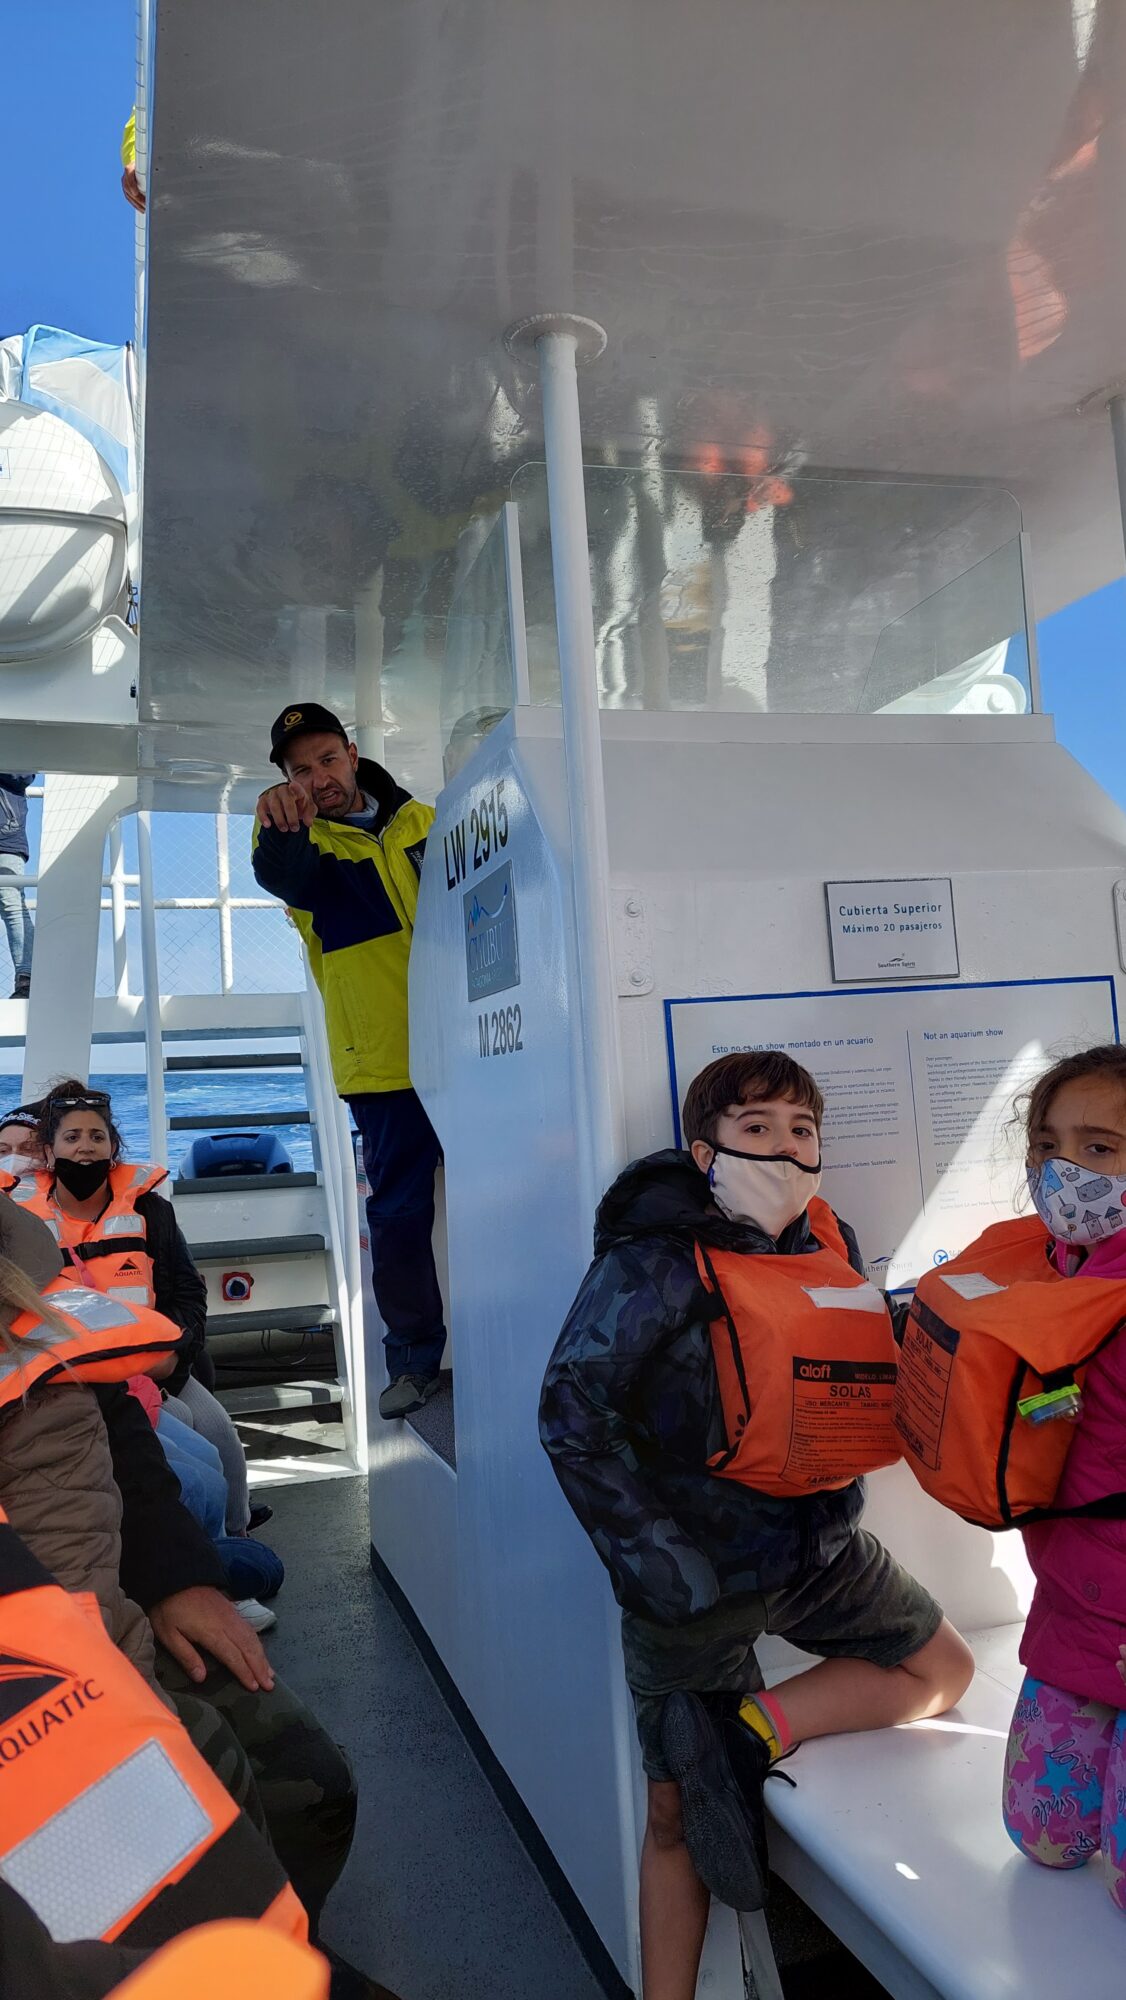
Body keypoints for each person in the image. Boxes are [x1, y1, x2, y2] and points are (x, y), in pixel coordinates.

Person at [540, 1051, 973, 2000]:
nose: (785, 1148)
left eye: (801, 1130)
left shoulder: (831, 1241)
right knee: (672, 1816)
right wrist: (658, 1566)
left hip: (818, 1547)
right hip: (687, 1574)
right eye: (758, 1128)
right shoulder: (651, 1263)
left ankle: (747, 1730)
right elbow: (572, 1417)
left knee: (943, 1669)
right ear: (706, 1150)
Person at [0, 1181, 359, 1934]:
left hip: (97, 1607)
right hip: (37, 1685)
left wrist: (177, 1577)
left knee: (312, 1786)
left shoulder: (21, 1263)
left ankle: (287, 1949)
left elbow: (111, 1421)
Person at [252, 703, 446, 1420]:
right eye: (299, 769)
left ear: (354, 753)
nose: (317, 778)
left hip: (476, 1052)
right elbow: (285, 878)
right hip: (384, 1066)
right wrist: (281, 822)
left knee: (511, 1194)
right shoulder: (293, 836)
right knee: (398, 1217)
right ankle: (416, 1361)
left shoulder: (430, 823)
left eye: (327, 759)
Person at [990, 1045, 1126, 1909]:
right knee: (1043, 1835)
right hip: (1075, 1606)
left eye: (1101, 1147)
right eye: (1047, 1143)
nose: (1065, 1168)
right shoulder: (1045, 1272)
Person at [16, 1080, 257, 1543]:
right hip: (72, 1376)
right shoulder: (21, 1219)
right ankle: (193, 1544)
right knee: (188, 1455)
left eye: (96, 1137)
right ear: (48, 1152)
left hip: (152, 1365)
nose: (85, 1149)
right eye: (71, 1138)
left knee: (222, 1443)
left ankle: (234, 1538)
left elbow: (188, 1296)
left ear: (113, 1147)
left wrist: (173, 1357)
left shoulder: (149, 1210)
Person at [0, 773, 35, 999]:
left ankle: (27, 979)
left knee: (12, 906)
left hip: (5, 839)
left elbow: (24, 774)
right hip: (8, 836)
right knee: (12, 907)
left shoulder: (17, 739)